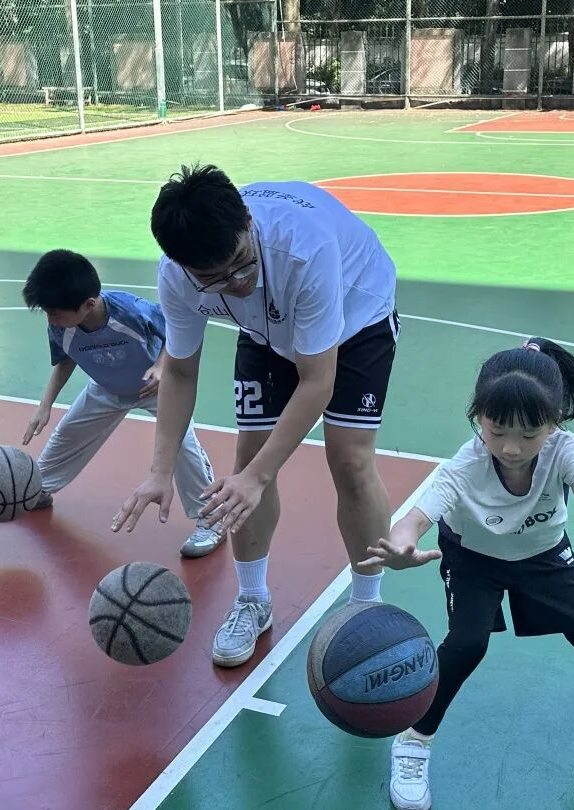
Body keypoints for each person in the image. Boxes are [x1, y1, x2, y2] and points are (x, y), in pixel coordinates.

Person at [358, 338, 574, 810]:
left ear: (554, 422)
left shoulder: (566, 450)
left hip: (543, 555)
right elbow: (416, 518)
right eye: (497, 430)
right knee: (466, 643)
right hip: (473, 560)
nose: (511, 447)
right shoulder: (465, 465)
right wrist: (401, 545)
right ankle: (414, 739)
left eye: (529, 435)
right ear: (478, 416)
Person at [112, 164, 400, 668]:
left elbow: (317, 381)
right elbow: (179, 371)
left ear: (248, 222)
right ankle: (252, 599)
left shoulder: (304, 249)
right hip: (266, 331)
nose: (236, 283)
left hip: (358, 315)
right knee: (246, 457)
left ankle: (366, 604)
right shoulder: (178, 277)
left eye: (241, 264)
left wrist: (259, 477)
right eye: (214, 279)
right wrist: (160, 470)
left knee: (350, 460)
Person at [21, 249, 223, 558]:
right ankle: (42, 487)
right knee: (68, 434)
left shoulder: (130, 312)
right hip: (106, 388)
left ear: (89, 305)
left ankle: (211, 519)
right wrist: (44, 405)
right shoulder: (60, 324)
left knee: (182, 447)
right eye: (48, 312)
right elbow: (65, 360)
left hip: (155, 390)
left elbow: (175, 331)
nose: (51, 319)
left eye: (56, 313)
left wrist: (161, 366)